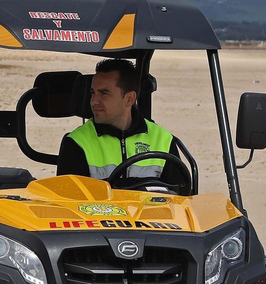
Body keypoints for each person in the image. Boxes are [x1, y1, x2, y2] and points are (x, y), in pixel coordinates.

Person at [57, 58, 189, 188]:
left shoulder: (163, 140)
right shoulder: (77, 142)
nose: (94, 101)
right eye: (93, 93)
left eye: (104, 93)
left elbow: (180, 199)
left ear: (129, 99)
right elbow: (71, 202)